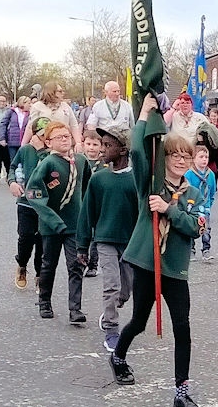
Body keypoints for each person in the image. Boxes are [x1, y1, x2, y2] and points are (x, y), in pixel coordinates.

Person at [109, 94, 206, 407]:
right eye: (174, 155)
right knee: (138, 321)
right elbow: (137, 150)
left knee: (183, 326)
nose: (180, 160)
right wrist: (145, 113)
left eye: (186, 156)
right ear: (164, 158)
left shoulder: (194, 193)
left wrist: (170, 210)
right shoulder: (148, 184)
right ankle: (118, 356)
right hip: (147, 263)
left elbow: (196, 227)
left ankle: (182, 392)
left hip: (175, 268)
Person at [77, 126, 138, 353]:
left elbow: (142, 214)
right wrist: (83, 245)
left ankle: (116, 304)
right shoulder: (99, 179)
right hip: (104, 239)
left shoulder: (135, 180)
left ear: (123, 150)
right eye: (101, 144)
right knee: (111, 285)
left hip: (129, 242)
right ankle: (112, 328)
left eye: (108, 145)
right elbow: (87, 213)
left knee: (126, 289)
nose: (102, 150)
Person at [26, 121, 91, 322]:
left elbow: (89, 186)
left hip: (75, 224)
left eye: (67, 136)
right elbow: (33, 193)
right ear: (49, 142)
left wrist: (88, 215)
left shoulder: (80, 161)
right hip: (52, 225)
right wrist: (53, 220)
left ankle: (75, 309)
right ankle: (44, 301)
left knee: (76, 265)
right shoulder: (47, 164)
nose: (64, 140)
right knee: (48, 264)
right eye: (59, 137)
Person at [7, 116, 51, 292]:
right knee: (25, 238)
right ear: (34, 134)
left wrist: (42, 150)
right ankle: (22, 265)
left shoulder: (51, 154)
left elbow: (48, 169)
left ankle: (40, 276)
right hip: (25, 203)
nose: (44, 140)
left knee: (42, 241)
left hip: (45, 204)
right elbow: (12, 167)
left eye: (48, 136)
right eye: (41, 135)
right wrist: (12, 182)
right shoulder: (25, 150)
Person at [22, 81, 81, 152]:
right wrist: (23, 145)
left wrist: (78, 143)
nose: (63, 93)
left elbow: (74, 125)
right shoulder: (37, 106)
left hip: (62, 145)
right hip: (43, 146)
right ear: (51, 92)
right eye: (60, 91)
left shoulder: (65, 106)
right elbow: (30, 127)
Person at [185, 145, 216, 262]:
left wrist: (208, 204)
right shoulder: (189, 174)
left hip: (205, 207)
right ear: (194, 159)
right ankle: (191, 250)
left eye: (206, 157)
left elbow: (212, 191)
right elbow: (186, 190)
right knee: (192, 228)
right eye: (201, 157)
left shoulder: (211, 174)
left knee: (206, 228)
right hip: (192, 208)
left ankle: (206, 249)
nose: (204, 159)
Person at [81, 129, 106, 277]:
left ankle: (93, 265)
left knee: (95, 236)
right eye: (88, 144)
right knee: (84, 233)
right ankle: (81, 260)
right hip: (82, 202)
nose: (91, 148)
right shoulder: (78, 161)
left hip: (99, 204)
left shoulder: (104, 164)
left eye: (95, 144)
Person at [0, 95, 31, 160]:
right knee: (13, 161)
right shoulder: (11, 112)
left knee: (23, 161)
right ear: (23, 103)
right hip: (12, 142)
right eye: (29, 103)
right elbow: (3, 124)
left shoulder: (30, 113)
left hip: (25, 142)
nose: (30, 105)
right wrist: (2, 138)